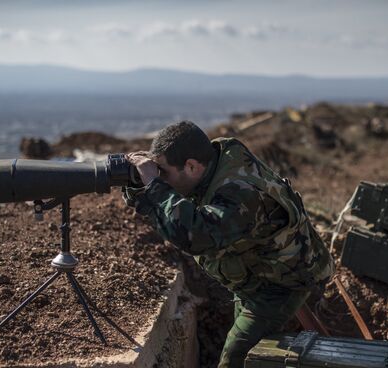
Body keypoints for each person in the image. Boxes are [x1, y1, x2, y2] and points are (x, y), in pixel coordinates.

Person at [124, 121, 334, 368]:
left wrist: (154, 186)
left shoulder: (239, 190)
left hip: (282, 284)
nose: (162, 178)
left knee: (236, 356)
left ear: (191, 166)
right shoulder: (213, 162)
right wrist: (143, 188)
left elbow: (194, 236)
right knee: (254, 351)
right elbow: (174, 211)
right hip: (256, 275)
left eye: (164, 172)